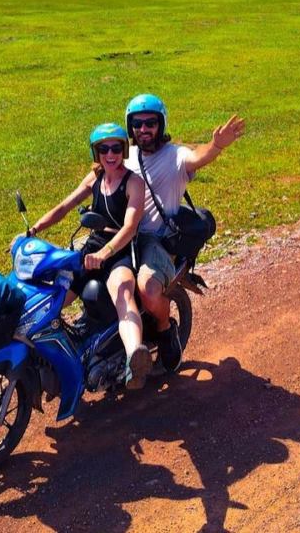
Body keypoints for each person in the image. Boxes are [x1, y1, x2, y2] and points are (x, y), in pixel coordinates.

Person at [24, 123, 152, 390]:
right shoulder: (94, 178)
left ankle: (134, 359)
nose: (110, 153)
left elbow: (129, 227)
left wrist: (104, 254)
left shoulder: (134, 183)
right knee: (57, 296)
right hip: (93, 247)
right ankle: (51, 358)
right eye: (103, 148)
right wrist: (33, 230)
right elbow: (63, 206)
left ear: (123, 149)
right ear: (96, 152)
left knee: (122, 293)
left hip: (119, 248)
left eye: (116, 147)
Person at [123, 94, 245, 373]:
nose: (144, 129)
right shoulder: (126, 156)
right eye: (138, 123)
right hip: (123, 235)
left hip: (156, 240)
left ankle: (166, 330)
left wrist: (216, 145)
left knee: (148, 290)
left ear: (161, 124)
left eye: (150, 123)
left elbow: (197, 156)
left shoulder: (174, 156)